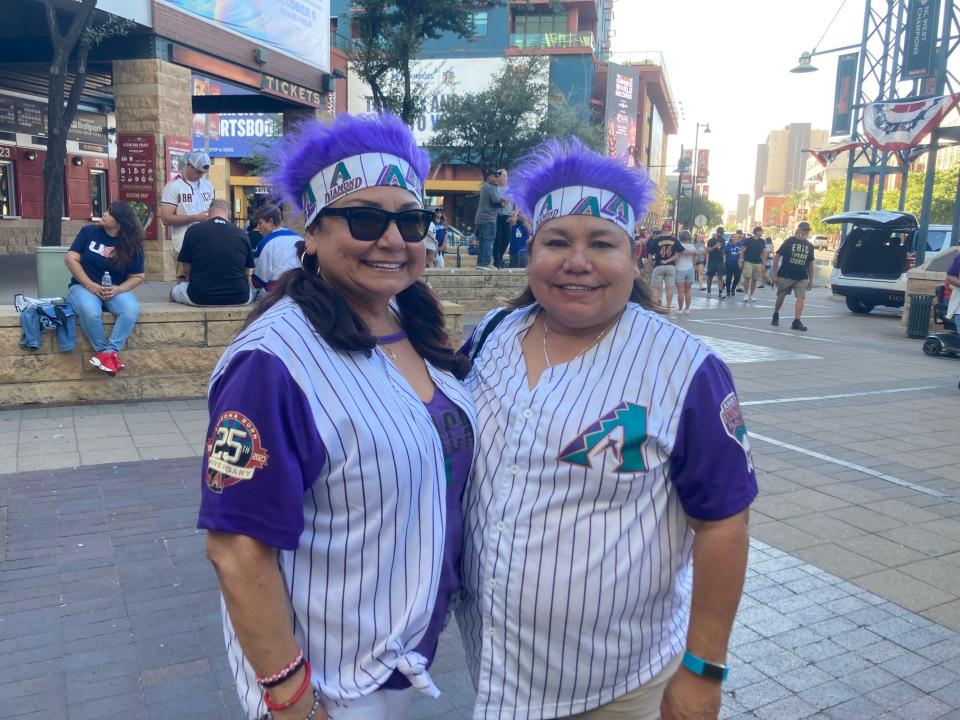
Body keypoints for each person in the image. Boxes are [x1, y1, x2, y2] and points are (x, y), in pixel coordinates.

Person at [459, 137, 756, 720]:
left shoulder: (684, 366)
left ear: (633, 255)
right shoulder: (491, 336)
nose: (577, 261)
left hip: (616, 686)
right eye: (556, 242)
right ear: (531, 251)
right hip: (492, 668)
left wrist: (703, 670)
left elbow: (724, 523)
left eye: (601, 243)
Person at [199, 113, 476, 720]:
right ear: (314, 234)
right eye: (366, 218)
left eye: (411, 219)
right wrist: (291, 696)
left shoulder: (412, 324)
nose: (393, 238)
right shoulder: (272, 363)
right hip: (328, 685)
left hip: (400, 658)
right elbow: (236, 547)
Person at [64, 201, 145, 376]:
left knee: (130, 309)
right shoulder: (89, 232)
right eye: (106, 210)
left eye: (110, 213)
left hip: (114, 290)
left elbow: (138, 276)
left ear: (120, 222)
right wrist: (90, 285)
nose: (105, 213)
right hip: (83, 287)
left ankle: (108, 353)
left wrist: (119, 289)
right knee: (89, 310)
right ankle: (104, 354)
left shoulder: (131, 243)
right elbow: (71, 259)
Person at [170, 199, 255, 307]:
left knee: (173, 292)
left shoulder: (193, 230)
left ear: (208, 213)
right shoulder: (242, 233)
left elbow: (186, 270)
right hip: (240, 297)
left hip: (199, 296)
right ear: (229, 214)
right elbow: (247, 272)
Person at [160, 150, 214, 263]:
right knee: (184, 279)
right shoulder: (174, 186)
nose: (200, 175)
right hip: (184, 245)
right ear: (189, 164)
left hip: (207, 244)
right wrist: (195, 218)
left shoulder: (207, 185)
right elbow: (165, 218)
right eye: (198, 171)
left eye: (203, 173)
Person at [772, 221, 816, 331]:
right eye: (804, 230)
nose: (806, 232)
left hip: (802, 276)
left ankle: (796, 321)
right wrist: (775, 274)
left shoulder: (809, 246)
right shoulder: (789, 241)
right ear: (799, 230)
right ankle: (776, 313)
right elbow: (777, 256)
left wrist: (811, 279)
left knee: (801, 298)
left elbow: (810, 262)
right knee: (781, 296)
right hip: (786, 274)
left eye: (807, 230)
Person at [252, 204, 303, 295]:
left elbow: (258, 282)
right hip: (302, 291)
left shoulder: (265, 242)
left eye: (260, 223)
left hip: (276, 295)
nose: (258, 227)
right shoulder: (299, 238)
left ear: (270, 221)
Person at [647, 222, 685, 309]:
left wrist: (649, 265)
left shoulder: (656, 240)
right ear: (670, 230)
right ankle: (668, 307)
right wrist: (668, 260)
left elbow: (650, 254)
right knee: (669, 288)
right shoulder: (674, 240)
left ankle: (656, 306)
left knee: (656, 288)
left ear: (662, 229)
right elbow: (678, 255)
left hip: (658, 265)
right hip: (670, 266)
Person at [475, 168, 503, 268]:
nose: (497, 178)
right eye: (495, 176)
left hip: (480, 218)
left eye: (498, 176)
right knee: (489, 240)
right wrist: (503, 202)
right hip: (488, 218)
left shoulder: (484, 186)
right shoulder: (491, 187)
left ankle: (481, 263)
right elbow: (496, 202)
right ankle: (486, 263)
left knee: (483, 241)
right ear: (489, 177)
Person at [675, 229, 701, 315]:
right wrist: (693, 263)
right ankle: (687, 309)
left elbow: (676, 257)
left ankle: (680, 309)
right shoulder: (692, 247)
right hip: (690, 269)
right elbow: (696, 258)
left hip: (679, 269)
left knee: (680, 291)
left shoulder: (678, 246)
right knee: (688, 290)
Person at [740, 226, 767, 302]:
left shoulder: (762, 241)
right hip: (748, 261)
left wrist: (763, 263)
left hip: (758, 262)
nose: (762, 233)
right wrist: (740, 260)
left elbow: (764, 252)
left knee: (754, 280)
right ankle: (746, 294)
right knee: (747, 278)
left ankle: (751, 295)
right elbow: (743, 250)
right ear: (756, 232)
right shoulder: (748, 240)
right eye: (761, 231)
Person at [493, 169, 514, 268]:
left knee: (506, 240)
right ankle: (497, 261)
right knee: (498, 239)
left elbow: (516, 204)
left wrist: (514, 216)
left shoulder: (511, 190)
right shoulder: (495, 189)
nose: (503, 177)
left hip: (507, 217)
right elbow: (494, 200)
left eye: (505, 176)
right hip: (497, 216)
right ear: (498, 177)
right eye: (501, 175)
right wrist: (503, 199)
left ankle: (500, 258)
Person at [705, 227, 725, 298]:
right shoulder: (710, 240)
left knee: (720, 277)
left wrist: (717, 246)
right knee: (710, 277)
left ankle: (720, 293)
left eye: (722, 233)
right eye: (721, 233)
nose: (722, 234)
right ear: (717, 233)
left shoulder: (722, 240)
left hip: (720, 261)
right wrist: (714, 247)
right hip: (712, 261)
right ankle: (709, 291)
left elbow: (720, 248)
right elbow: (708, 251)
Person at [724, 230, 744, 298]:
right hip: (729, 264)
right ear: (731, 238)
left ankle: (733, 288)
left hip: (737, 264)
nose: (735, 238)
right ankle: (728, 291)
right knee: (728, 278)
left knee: (737, 278)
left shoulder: (741, 245)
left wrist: (740, 262)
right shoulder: (728, 245)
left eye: (736, 237)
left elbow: (742, 253)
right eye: (733, 237)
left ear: (738, 238)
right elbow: (725, 252)